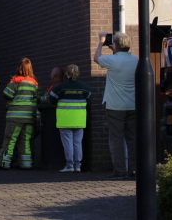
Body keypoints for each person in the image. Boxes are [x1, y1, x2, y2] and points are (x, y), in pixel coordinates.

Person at [94, 32, 138, 179]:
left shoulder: (111, 60)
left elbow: (96, 59)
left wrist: (101, 42)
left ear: (116, 46)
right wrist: (116, 50)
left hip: (115, 106)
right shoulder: (136, 60)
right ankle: (134, 169)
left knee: (116, 139)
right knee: (132, 138)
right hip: (132, 105)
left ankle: (119, 170)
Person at [0, 58, 39, 169]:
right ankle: (26, 164)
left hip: (15, 117)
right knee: (25, 141)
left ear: (20, 67)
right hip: (29, 117)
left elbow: (7, 94)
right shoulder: (35, 84)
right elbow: (36, 100)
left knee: (10, 140)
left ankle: (3, 163)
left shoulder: (15, 81)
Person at [49, 64, 92, 173]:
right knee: (77, 143)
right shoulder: (85, 87)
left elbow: (51, 101)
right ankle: (78, 166)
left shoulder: (59, 87)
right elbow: (89, 100)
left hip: (65, 119)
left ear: (67, 74)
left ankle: (69, 166)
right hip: (79, 119)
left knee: (68, 143)